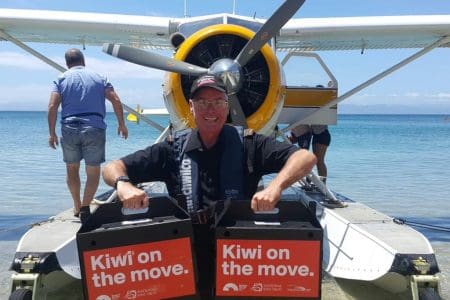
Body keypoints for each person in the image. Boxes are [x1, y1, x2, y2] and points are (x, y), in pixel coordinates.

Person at [102, 75, 316, 299]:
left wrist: (275, 187)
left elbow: (305, 157)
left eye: (217, 102)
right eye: (202, 102)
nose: (210, 109)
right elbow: (112, 168)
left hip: (240, 254)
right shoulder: (171, 149)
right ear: (192, 108)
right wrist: (123, 184)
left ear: (227, 107)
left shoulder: (250, 144)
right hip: (187, 253)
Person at [48, 48, 128, 221]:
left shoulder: (61, 79)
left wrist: (52, 133)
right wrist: (122, 124)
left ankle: (76, 205)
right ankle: (85, 207)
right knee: (93, 172)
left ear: (67, 63)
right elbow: (115, 100)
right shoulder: (99, 78)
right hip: (94, 127)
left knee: (72, 169)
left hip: (69, 127)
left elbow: (52, 106)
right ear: (83, 61)